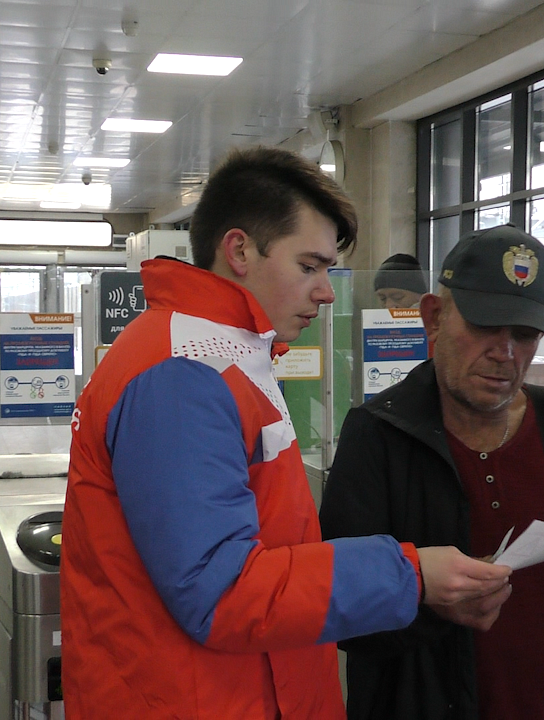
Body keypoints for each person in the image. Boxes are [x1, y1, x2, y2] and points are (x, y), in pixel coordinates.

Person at [61, 146, 511, 719]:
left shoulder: (230, 355)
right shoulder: (180, 376)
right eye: (309, 266)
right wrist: (410, 574)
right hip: (194, 697)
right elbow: (221, 593)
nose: (326, 291)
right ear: (240, 249)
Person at [320, 223, 544, 720]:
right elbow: (339, 610)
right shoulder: (379, 438)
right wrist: (425, 600)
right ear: (433, 317)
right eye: (483, 325)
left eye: (523, 334)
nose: (505, 352)